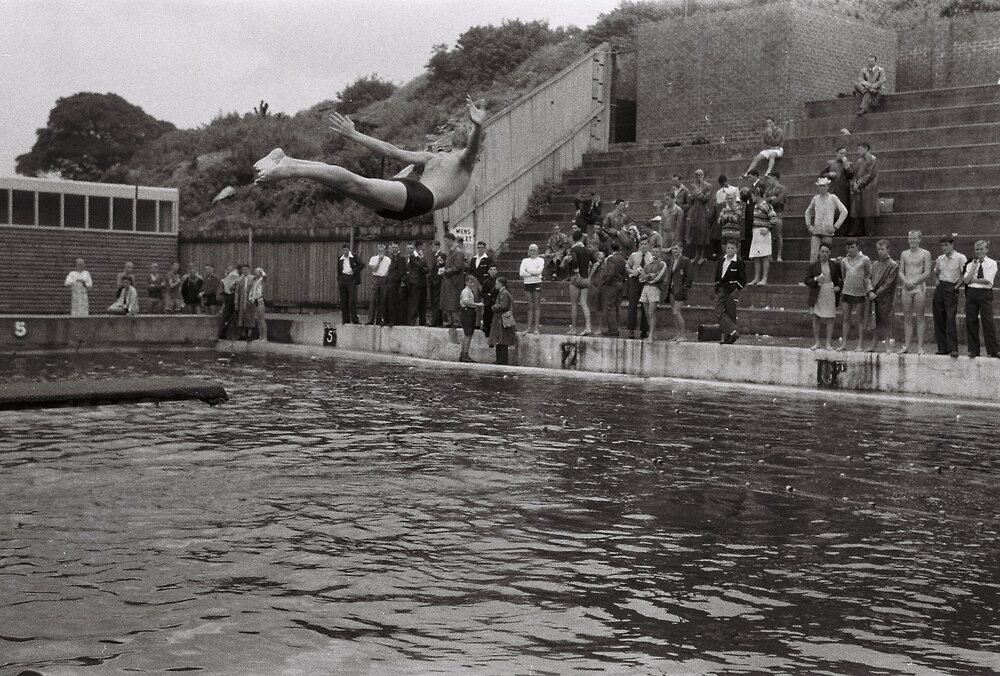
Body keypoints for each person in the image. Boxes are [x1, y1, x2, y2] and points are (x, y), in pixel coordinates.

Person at [255, 96, 485, 220]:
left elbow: (472, 149)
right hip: (416, 198)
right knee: (351, 183)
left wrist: (477, 126)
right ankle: (288, 167)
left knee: (345, 185)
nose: (464, 127)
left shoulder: (457, 161)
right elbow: (390, 150)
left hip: (409, 202)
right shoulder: (445, 159)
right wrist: (354, 135)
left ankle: (289, 162)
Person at [962, 239, 1000, 358]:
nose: (979, 252)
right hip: (972, 293)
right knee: (971, 321)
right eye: (977, 249)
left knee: (988, 321)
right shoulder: (970, 264)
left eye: (981, 249)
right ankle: (973, 350)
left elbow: (987, 280)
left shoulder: (992, 263)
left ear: (987, 250)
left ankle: (993, 350)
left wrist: (972, 279)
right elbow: (965, 281)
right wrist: (973, 268)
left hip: (985, 293)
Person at [897, 230, 933, 354]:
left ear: (919, 239)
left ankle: (920, 347)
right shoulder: (904, 254)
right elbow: (901, 271)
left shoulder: (925, 253)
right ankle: (907, 346)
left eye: (914, 238)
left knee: (920, 317)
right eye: (910, 238)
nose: (911, 241)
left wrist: (915, 282)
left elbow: (927, 272)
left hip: (918, 287)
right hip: (906, 287)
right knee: (907, 317)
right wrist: (906, 282)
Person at [932, 234, 967, 357]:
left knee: (950, 318)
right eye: (942, 245)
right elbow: (936, 271)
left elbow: (964, 273)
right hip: (940, 287)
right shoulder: (940, 258)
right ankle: (942, 348)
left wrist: (956, 287)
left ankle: (953, 348)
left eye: (946, 245)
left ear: (952, 244)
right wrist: (937, 279)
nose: (944, 247)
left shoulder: (960, 257)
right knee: (938, 318)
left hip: (952, 287)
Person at [804, 242, 842, 350]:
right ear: (819, 252)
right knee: (816, 317)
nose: (824, 254)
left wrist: (839, 287)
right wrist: (816, 279)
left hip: (830, 292)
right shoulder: (813, 266)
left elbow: (842, 278)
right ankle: (817, 342)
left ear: (830, 253)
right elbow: (806, 280)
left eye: (826, 252)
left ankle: (828, 343)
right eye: (822, 251)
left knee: (830, 318)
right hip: (817, 292)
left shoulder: (835, 265)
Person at [838, 238, 872, 351]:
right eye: (848, 247)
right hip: (847, 292)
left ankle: (860, 344)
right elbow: (843, 276)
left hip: (860, 292)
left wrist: (865, 287)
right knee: (846, 319)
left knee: (860, 319)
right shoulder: (844, 261)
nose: (850, 249)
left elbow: (868, 274)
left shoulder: (865, 259)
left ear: (857, 247)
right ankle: (844, 344)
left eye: (853, 247)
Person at [804, 177, 848, 262]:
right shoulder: (816, 198)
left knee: (825, 255)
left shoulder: (833, 198)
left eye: (824, 186)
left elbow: (844, 211)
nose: (822, 188)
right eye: (820, 186)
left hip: (828, 232)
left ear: (827, 187)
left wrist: (835, 226)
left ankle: (824, 270)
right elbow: (808, 211)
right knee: (813, 255)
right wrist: (809, 225)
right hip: (816, 231)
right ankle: (812, 270)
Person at [866, 239, 898, 353]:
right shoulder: (874, 264)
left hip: (886, 297)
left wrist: (876, 293)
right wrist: (870, 291)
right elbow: (868, 278)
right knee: (875, 320)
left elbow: (889, 283)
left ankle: (888, 345)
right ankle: (873, 344)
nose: (880, 252)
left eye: (882, 249)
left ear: (888, 250)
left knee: (886, 320)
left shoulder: (893, 265)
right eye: (878, 249)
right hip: (874, 296)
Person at [715, 240, 746, 344]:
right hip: (721, 289)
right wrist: (716, 285)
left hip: (731, 290)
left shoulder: (739, 262)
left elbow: (743, 279)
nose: (729, 250)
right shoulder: (722, 260)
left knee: (730, 313)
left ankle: (728, 337)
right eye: (728, 248)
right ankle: (733, 330)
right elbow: (718, 274)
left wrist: (736, 289)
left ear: (736, 249)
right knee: (719, 311)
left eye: (732, 248)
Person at [663, 242, 693, 341]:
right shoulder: (672, 261)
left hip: (680, 289)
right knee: (674, 312)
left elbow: (690, 276)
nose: (674, 251)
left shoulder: (685, 260)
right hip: (672, 288)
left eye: (676, 248)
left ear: (681, 249)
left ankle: (683, 334)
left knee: (676, 311)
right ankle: (678, 333)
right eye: (673, 249)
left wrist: (684, 287)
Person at [748, 188, 778, 286]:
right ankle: (757, 278)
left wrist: (768, 229)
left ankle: (764, 278)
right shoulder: (755, 206)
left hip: (763, 234)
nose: (751, 198)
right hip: (756, 234)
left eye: (753, 196)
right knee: (756, 257)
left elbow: (774, 218)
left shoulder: (767, 206)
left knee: (764, 256)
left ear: (757, 195)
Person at [566, 230, 594, 336]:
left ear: (573, 239)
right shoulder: (587, 250)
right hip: (585, 279)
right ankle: (588, 327)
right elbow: (596, 262)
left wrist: (577, 273)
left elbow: (574, 260)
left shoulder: (574, 249)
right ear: (582, 238)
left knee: (574, 305)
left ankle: (573, 329)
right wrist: (590, 275)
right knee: (584, 304)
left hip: (576, 279)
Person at [637, 246, 668, 343]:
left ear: (660, 253)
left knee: (651, 312)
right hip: (645, 288)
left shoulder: (662, 264)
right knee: (646, 312)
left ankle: (651, 335)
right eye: (653, 251)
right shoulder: (648, 264)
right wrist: (649, 275)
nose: (654, 253)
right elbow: (641, 278)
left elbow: (658, 278)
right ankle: (652, 333)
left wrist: (647, 277)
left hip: (654, 288)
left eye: (656, 252)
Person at [820, 146, 853, 231]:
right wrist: (829, 175)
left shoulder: (848, 164)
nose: (843, 155)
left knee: (843, 210)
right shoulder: (830, 163)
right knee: (832, 210)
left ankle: (843, 231)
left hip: (844, 191)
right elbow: (821, 175)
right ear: (837, 153)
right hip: (833, 189)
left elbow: (851, 175)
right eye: (841, 153)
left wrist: (846, 166)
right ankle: (831, 230)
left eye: (844, 153)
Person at [598, 241, 626, 337]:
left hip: (612, 284)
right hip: (620, 283)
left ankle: (612, 329)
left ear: (611, 248)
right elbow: (625, 272)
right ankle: (617, 327)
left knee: (610, 307)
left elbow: (610, 273)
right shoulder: (622, 259)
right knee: (618, 306)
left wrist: (604, 282)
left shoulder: (611, 259)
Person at [851, 142, 879, 236]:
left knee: (868, 211)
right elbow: (855, 174)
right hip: (859, 188)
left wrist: (858, 183)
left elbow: (869, 175)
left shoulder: (872, 159)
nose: (858, 151)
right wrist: (855, 183)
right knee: (859, 210)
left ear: (866, 148)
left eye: (860, 149)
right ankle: (858, 231)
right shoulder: (859, 161)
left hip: (868, 188)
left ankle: (869, 232)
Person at [625, 237, 651, 339]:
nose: (644, 246)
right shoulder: (634, 255)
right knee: (632, 305)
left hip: (645, 282)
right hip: (635, 281)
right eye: (642, 244)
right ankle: (631, 329)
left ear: (648, 245)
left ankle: (644, 330)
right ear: (639, 245)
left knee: (645, 306)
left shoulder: (651, 256)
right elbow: (627, 267)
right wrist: (633, 272)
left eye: (645, 244)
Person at [687, 169, 713, 265]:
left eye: (698, 175)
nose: (696, 177)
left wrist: (697, 191)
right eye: (695, 175)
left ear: (702, 176)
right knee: (695, 232)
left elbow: (705, 198)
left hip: (703, 211)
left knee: (702, 232)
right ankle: (697, 254)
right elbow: (691, 199)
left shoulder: (708, 186)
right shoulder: (693, 186)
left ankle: (702, 254)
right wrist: (691, 196)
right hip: (695, 211)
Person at [488, 276, 516, 365]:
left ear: (501, 284)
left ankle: (501, 359)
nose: (495, 285)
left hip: (501, 318)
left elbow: (503, 305)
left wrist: (494, 307)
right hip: (499, 318)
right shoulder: (503, 292)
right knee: (500, 338)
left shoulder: (503, 293)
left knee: (502, 338)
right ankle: (500, 359)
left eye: (496, 283)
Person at [441, 234, 466, 328]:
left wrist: (446, 271)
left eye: (446, 241)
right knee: (448, 301)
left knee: (454, 301)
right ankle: (450, 320)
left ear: (451, 240)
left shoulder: (457, 252)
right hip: (449, 281)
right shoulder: (451, 251)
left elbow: (458, 266)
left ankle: (457, 320)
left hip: (454, 281)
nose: (445, 243)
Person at [519, 244, 545, 334]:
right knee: (530, 306)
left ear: (537, 251)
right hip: (527, 284)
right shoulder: (525, 260)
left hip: (537, 283)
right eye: (531, 250)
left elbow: (538, 272)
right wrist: (532, 273)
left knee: (537, 306)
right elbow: (521, 273)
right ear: (528, 251)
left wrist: (528, 271)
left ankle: (536, 328)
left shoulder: (541, 260)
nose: (532, 252)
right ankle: (529, 327)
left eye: (534, 250)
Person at [458, 275, 483, 362]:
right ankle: (465, 354)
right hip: (467, 311)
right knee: (468, 334)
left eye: (473, 282)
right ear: (466, 282)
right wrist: (477, 304)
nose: (472, 284)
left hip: (469, 312)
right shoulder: (466, 291)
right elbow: (466, 302)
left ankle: (463, 354)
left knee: (468, 334)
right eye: (470, 282)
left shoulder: (470, 291)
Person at [763, 172, 787, 263]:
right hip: (769, 214)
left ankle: (779, 255)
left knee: (778, 235)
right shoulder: (768, 189)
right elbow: (764, 201)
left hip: (777, 214)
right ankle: (770, 255)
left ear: (775, 178)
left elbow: (778, 201)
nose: (768, 181)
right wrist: (771, 198)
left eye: (769, 178)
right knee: (769, 236)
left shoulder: (782, 189)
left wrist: (771, 200)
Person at [337, 244, 362, 324]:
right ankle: (345, 320)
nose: (345, 252)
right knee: (343, 300)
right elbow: (338, 269)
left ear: (349, 250)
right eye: (344, 250)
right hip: (343, 278)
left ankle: (354, 319)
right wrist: (339, 279)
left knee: (351, 300)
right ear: (342, 250)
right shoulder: (340, 258)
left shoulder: (353, 257)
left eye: (347, 250)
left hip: (351, 279)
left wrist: (354, 271)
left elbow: (362, 265)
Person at [405, 241, 428, 326]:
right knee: (414, 303)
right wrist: (422, 259)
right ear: (419, 247)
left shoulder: (422, 257)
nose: (425, 248)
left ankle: (423, 321)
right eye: (423, 246)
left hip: (423, 283)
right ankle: (412, 321)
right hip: (415, 283)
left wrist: (422, 267)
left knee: (423, 303)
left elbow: (427, 269)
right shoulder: (413, 257)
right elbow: (420, 266)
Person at [367, 243, 390, 325]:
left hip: (384, 279)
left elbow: (389, 270)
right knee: (373, 300)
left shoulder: (388, 259)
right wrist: (379, 261)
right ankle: (370, 319)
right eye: (380, 250)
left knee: (382, 300)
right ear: (377, 250)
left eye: (382, 250)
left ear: (385, 251)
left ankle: (379, 319)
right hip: (376, 278)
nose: (381, 252)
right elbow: (374, 269)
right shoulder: (373, 258)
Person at [385, 242, 407, 326]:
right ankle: (388, 319)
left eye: (396, 247)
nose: (394, 249)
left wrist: (394, 278)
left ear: (398, 248)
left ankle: (394, 320)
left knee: (394, 302)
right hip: (390, 282)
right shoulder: (392, 258)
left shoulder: (400, 258)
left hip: (395, 283)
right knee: (388, 301)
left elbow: (401, 272)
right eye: (393, 247)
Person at [427, 240, 445, 327]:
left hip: (437, 282)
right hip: (432, 282)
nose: (431, 248)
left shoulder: (442, 255)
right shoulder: (433, 256)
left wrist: (437, 280)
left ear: (438, 246)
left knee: (436, 302)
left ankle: (435, 321)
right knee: (434, 301)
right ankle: (437, 320)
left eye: (433, 246)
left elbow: (442, 269)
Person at [219, 264, 240, 339]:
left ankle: (223, 333)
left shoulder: (225, 278)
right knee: (233, 316)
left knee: (227, 316)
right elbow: (232, 287)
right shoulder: (235, 275)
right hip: (232, 296)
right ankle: (234, 334)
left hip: (227, 297)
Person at [234, 264, 255, 340]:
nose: (244, 271)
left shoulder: (252, 279)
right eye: (243, 269)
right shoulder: (239, 280)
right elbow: (237, 292)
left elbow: (255, 290)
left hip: (250, 301)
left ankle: (249, 335)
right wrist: (236, 303)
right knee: (242, 318)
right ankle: (242, 335)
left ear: (248, 270)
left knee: (249, 318)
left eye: (246, 269)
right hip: (242, 302)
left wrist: (253, 299)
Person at [247, 267, 267, 342]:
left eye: (257, 273)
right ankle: (260, 336)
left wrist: (261, 271)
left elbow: (264, 276)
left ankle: (265, 337)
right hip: (255, 300)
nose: (255, 274)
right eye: (255, 272)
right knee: (258, 320)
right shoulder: (254, 280)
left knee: (261, 319)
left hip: (260, 300)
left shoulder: (262, 280)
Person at [481, 264, 499, 339]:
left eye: (494, 269)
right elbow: (482, 293)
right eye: (491, 269)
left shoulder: (499, 281)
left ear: (497, 271)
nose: (493, 271)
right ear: (488, 271)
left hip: (497, 303)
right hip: (489, 304)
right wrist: (488, 295)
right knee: (487, 319)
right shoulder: (486, 282)